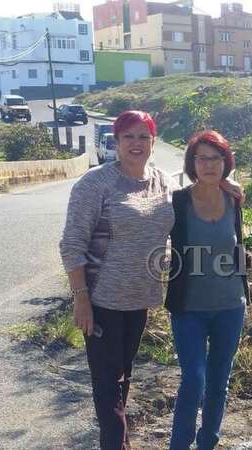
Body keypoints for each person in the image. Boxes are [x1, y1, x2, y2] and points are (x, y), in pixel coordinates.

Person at [60, 110, 176, 450]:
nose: (136, 144)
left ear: (153, 142)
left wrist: (225, 185)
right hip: (102, 301)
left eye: (143, 137)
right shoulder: (95, 184)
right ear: (117, 142)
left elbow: (192, 206)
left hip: (140, 299)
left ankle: (120, 441)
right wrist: (81, 299)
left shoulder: (163, 181)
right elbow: (71, 244)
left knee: (123, 378)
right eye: (129, 137)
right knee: (108, 385)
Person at [165, 130, 252, 450]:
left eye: (215, 158)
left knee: (218, 383)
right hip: (189, 308)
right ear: (192, 163)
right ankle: (179, 445)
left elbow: (237, 248)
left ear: (225, 162)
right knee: (194, 379)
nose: (209, 164)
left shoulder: (234, 197)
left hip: (231, 306)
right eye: (201, 158)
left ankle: (208, 443)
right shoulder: (178, 201)